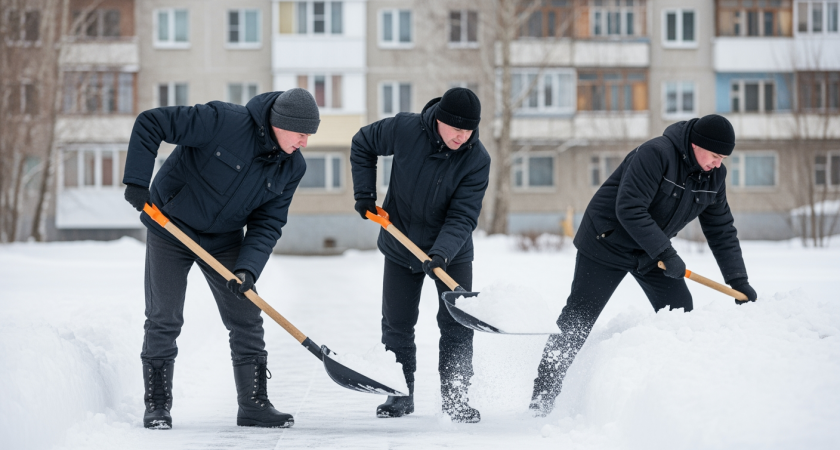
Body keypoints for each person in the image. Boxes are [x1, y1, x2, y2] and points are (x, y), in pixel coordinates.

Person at [529, 114, 759, 416]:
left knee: (680, 316)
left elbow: (721, 229)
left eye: (723, 158)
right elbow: (630, 208)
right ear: (695, 144)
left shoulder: (714, 176)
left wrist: (737, 279)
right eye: (715, 155)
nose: (718, 163)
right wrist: (666, 252)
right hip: (606, 241)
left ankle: (678, 393)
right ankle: (542, 397)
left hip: (652, 250)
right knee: (579, 318)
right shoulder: (656, 154)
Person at [121, 88, 319, 429]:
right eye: (301, 133)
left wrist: (247, 268)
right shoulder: (222, 121)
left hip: (224, 239)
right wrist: (137, 181)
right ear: (280, 123)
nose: (305, 142)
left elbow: (268, 222)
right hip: (170, 225)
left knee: (246, 316)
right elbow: (151, 122)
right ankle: (157, 405)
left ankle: (254, 405)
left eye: (309, 135)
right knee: (164, 317)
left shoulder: (291, 168)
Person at [350, 87, 491, 423]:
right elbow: (363, 143)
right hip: (401, 245)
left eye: (468, 130)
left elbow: (463, 216)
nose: (462, 136)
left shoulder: (477, 159)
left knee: (457, 325)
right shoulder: (405, 129)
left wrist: (441, 253)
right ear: (440, 119)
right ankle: (399, 394)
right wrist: (365, 193)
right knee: (397, 324)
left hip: (451, 253)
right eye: (456, 128)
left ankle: (456, 398)